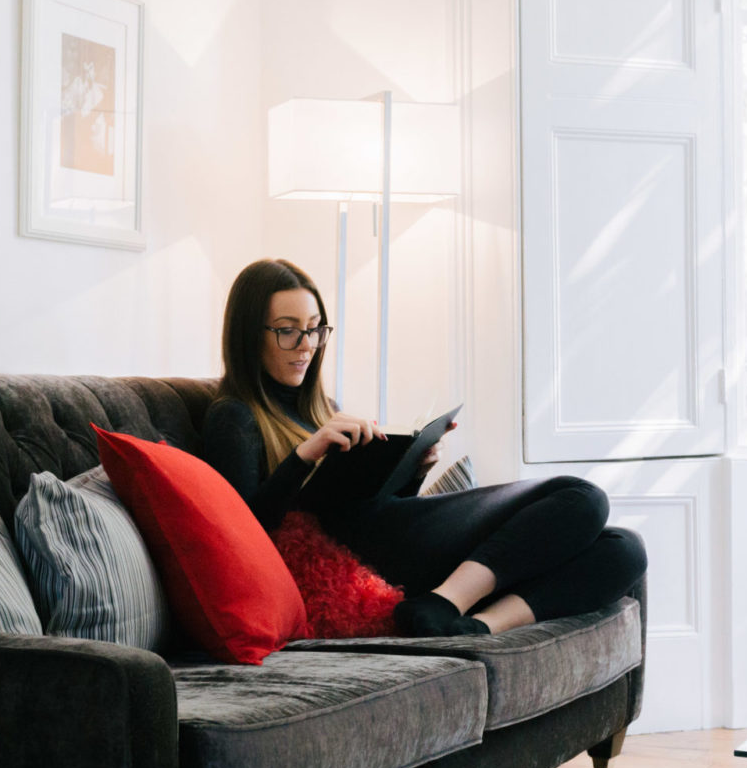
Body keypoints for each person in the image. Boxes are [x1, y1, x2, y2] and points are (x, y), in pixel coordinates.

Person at [200, 258, 646, 638]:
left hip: (391, 540)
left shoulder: (322, 407)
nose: (307, 346)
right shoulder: (233, 417)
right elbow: (242, 534)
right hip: (361, 557)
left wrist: (411, 470)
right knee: (580, 497)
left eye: (316, 330)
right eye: (288, 331)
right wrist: (304, 456)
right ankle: (445, 601)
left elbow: (367, 502)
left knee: (623, 548)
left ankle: (476, 626)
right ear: (248, 334)